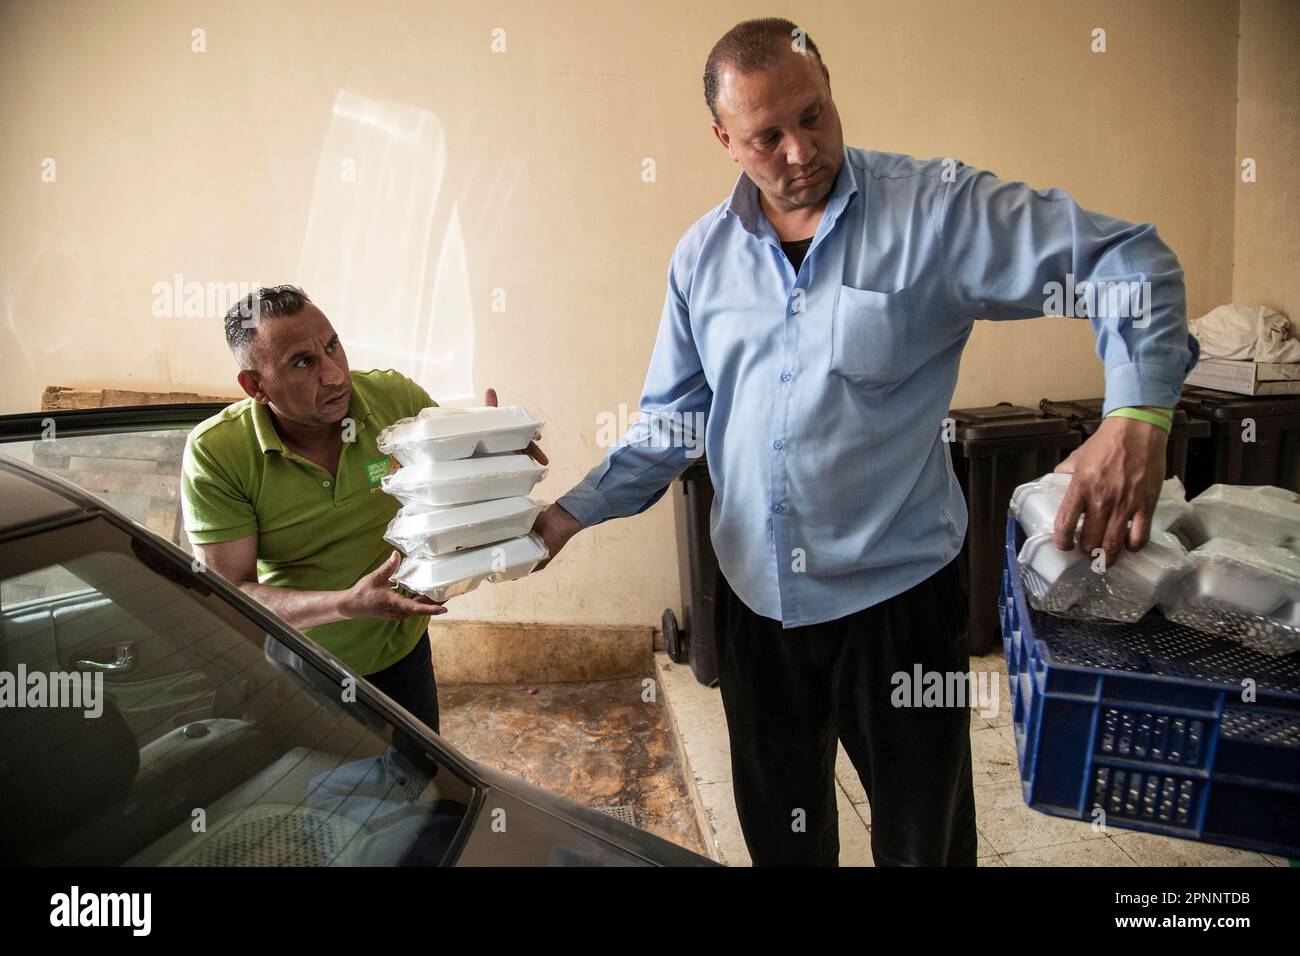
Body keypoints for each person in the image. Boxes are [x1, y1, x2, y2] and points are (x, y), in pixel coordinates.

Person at [530, 18, 1198, 865]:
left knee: (925, 845)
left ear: (831, 91)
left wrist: (1136, 417)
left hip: (898, 607)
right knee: (784, 839)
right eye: (766, 136)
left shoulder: (936, 212)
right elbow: (673, 423)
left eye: (814, 116)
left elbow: (1130, 263)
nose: (800, 150)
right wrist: (564, 518)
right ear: (723, 140)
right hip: (754, 606)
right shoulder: (702, 258)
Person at [181, 285, 546, 734]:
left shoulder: (393, 399)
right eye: (303, 362)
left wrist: (494, 445)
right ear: (255, 385)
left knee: (425, 786)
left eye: (332, 346)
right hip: (303, 668)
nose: (334, 376)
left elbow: (450, 465)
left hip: (401, 650)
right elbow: (231, 592)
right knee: (326, 796)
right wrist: (346, 605)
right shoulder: (218, 453)